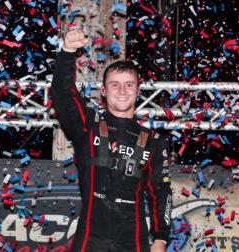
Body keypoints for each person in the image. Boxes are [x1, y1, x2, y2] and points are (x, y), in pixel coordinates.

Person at [51, 27, 172, 252]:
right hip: (90, 239)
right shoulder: (88, 124)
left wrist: (161, 239)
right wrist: (67, 51)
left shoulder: (154, 141)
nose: (122, 91)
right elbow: (63, 94)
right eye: (115, 85)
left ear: (138, 91)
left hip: (132, 241)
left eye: (129, 85)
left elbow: (161, 191)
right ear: (104, 91)